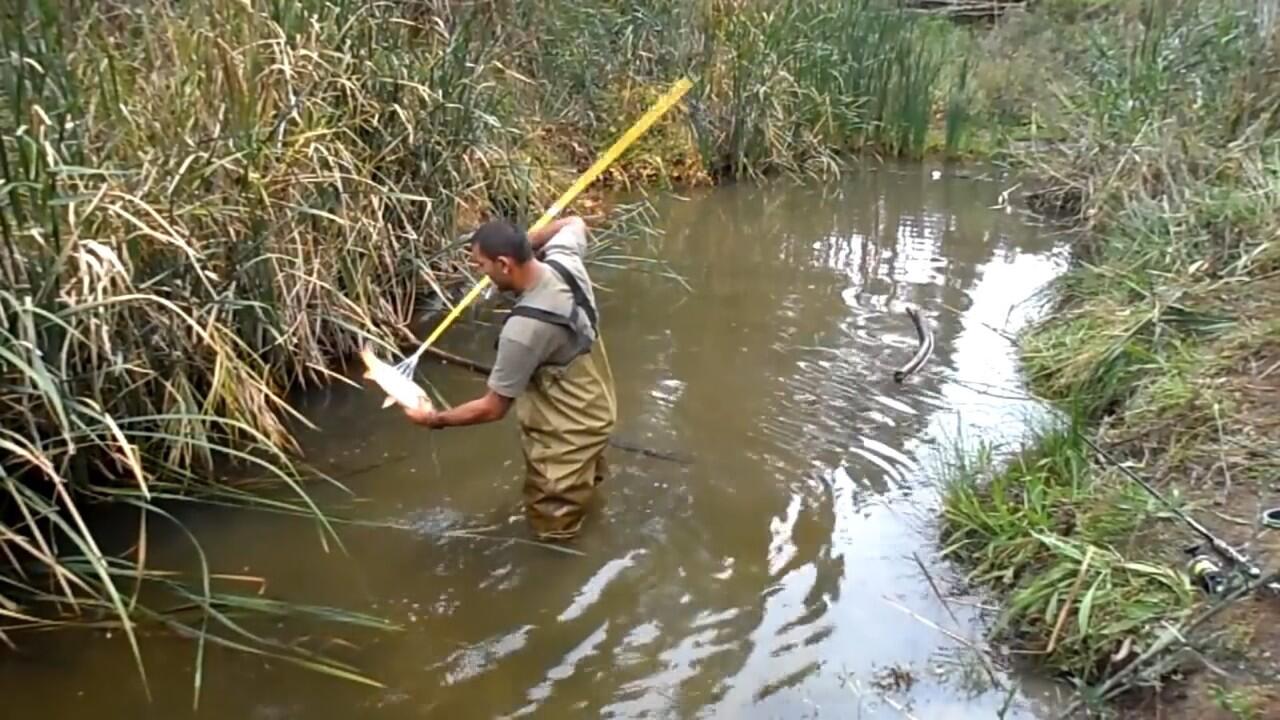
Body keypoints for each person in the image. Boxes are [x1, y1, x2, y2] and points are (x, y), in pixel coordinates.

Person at [402, 215, 618, 542]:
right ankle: (591, 518)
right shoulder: (565, 262)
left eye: (481, 265)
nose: (480, 273)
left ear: (504, 264)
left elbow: (493, 408)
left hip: (564, 436)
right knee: (586, 484)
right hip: (596, 410)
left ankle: (565, 566)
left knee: (553, 527)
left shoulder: (522, 332)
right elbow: (573, 222)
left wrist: (434, 419)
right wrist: (524, 244)